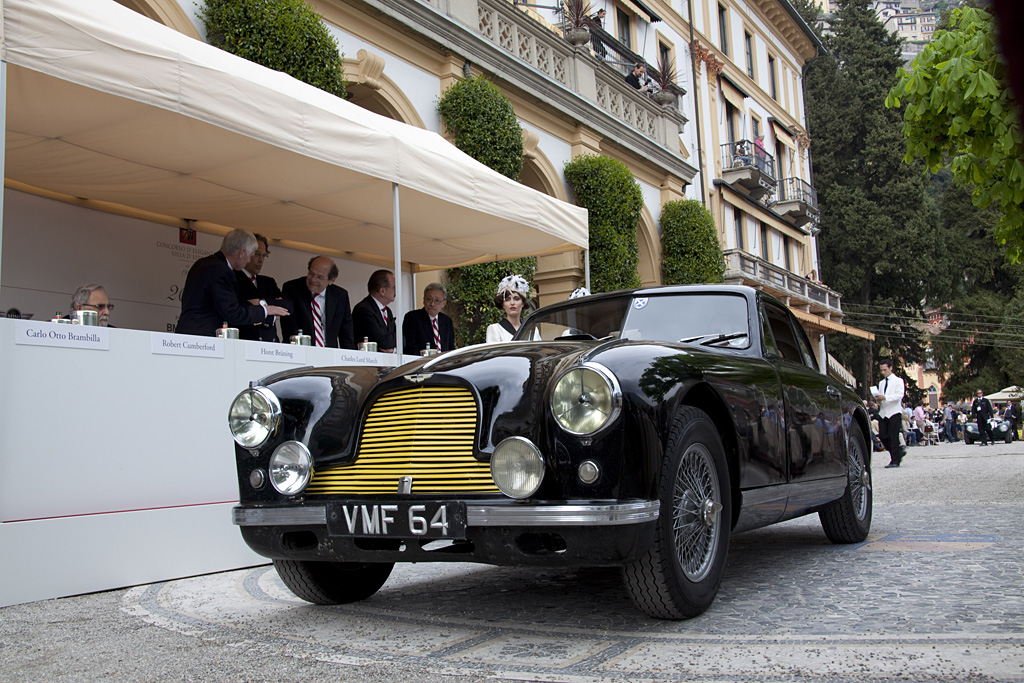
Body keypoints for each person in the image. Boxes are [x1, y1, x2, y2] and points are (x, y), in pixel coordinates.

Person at [176, 229, 289, 337]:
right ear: (242, 252)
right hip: (203, 338)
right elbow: (233, 313)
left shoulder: (202, 263)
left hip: (187, 332)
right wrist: (265, 310)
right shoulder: (222, 271)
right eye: (250, 255)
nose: (249, 260)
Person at [281, 256, 354, 349]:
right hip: (300, 351)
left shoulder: (340, 296)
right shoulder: (292, 289)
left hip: (329, 354)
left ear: (331, 280)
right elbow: (289, 327)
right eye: (311, 274)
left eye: (319, 277)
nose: (313, 279)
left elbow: (346, 333)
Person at [235, 234, 284, 342]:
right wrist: (270, 306)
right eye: (256, 254)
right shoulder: (233, 278)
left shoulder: (268, 282)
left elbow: (286, 305)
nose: (261, 260)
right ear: (244, 253)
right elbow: (235, 307)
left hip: (269, 342)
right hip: (244, 341)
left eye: (264, 255)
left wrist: (261, 302)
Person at [402, 282, 455, 356]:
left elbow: (451, 348)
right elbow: (410, 346)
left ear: (443, 303)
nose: (432, 304)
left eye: (437, 301)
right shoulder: (413, 317)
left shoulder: (447, 321)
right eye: (429, 299)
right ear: (424, 300)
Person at [352, 269, 397, 352]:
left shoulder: (388, 311)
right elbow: (383, 341)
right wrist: (396, 340)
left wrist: (392, 350)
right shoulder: (363, 309)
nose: (396, 291)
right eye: (394, 287)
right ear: (382, 291)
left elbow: (403, 339)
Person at [873, 359, 906, 468]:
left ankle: (895, 460)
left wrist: (886, 397)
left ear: (891, 368)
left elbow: (899, 396)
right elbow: (882, 396)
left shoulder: (898, 381)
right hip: (883, 412)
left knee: (893, 436)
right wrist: (879, 399)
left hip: (894, 412)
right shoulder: (882, 383)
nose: (883, 372)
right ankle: (898, 452)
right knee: (882, 435)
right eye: (881, 370)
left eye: (885, 370)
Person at [486, 274, 531, 343]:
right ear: (503, 304)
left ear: (523, 303)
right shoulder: (495, 329)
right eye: (507, 299)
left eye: (516, 299)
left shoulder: (531, 330)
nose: (512, 303)